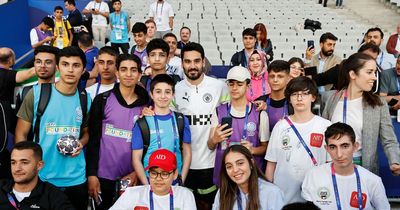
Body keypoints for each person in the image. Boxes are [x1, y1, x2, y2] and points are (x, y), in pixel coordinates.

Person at [15, 46, 91, 210]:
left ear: (83, 69)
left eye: (76, 65)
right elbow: (21, 135)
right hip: (43, 177)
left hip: (76, 178)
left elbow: (85, 133)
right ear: (57, 67)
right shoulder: (37, 94)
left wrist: (81, 143)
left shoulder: (86, 98)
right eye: (65, 64)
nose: (70, 70)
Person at [87, 53, 149, 210]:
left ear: (139, 74)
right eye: (124, 69)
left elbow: (148, 144)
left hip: (133, 177)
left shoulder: (147, 105)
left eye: (133, 70)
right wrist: (92, 174)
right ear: (117, 73)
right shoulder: (103, 100)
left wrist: (138, 172)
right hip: (103, 176)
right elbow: (93, 140)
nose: (128, 74)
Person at [321, 52, 400, 175]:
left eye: (375, 72)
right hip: (332, 165)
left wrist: (395, 161)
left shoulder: (378, 103)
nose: (374, 77)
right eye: (369, 72)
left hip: (364, 167)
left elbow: (389, 139)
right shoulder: (330, 98)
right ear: (353, 74)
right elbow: (323, 135)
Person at [174, 42, 230, 210]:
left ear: (203, 62)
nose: (192, 66)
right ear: (182, 63)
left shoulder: (219, 86)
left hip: (211, 162)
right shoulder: (175, 89)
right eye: (187, 61)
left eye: (196, 61)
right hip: (184, 164)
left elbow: (230, 113)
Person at [265, 76, 331, 204]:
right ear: (289, 99)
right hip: (284, 196)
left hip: (316, 194)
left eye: (305, 94)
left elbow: (330, 163)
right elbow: (271, 164)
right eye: (295, 94)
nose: (299, 98)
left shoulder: (325, 126)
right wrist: (269, 191)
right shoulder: (281, 126)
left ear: (313, 97)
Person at [302, 122, 391, 209]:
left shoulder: (373, 181)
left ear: (355, 147)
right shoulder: (313, 176)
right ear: (327, 149)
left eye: (344, 146)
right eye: (333, 147)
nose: (339, 154)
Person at [208, 66, 269, 185]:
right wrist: (215, 139)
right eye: (231, 84)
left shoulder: (260, 113)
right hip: (225, 175)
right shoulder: (218, 111)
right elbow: (210, 145)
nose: (234, 88)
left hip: (250, 176)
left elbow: (265, 148)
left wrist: (252, 150)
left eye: (239, 84)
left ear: (248, 85)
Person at [132, 74, 191, 185]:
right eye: (158, 92)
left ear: (173, 95)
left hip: (174, 182)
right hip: (150, 182)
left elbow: (187, 153)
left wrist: (181, 180)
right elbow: (136, 158)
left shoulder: (181, 120)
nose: (163, 96)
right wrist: (146, 185)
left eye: (167, 92)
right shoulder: (142, 122)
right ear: (151, 94)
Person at [109, 149, 197, 210]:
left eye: (164, 174)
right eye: (154, 173)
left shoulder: (185, 196)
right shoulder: (132, 194)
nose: (158, 178)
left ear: (175, 174)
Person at [0, 141, 75, 210]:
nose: (17, 168)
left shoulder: (54, 196)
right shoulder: (1, 188)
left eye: (24, 162)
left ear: (39, 165)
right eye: (13, 162)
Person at [212, 145, 284, 210]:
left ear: (251, 163)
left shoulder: (272, 192)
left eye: (240, 163)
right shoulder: (223, 192)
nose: (235, 170)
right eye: (229, 166)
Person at [312, 43, 381, 92]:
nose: (370, 61)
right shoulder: (341, 68)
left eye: (373, 59)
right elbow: (320, 79)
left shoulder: (376, 73)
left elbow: (375, 93)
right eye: (366, 57)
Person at [16, 46, 60, 112]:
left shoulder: (66, 93)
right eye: (38, 62)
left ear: (57, 66)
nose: (42, 66)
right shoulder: (24, 92)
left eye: (48, 62)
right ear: (34, 64)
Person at [257, 60, 291, 132]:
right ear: (268, 78)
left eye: (280, 76)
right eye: (272, 76)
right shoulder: (259, 102)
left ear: (288, 78)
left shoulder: (293, 103)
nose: (275, 80)